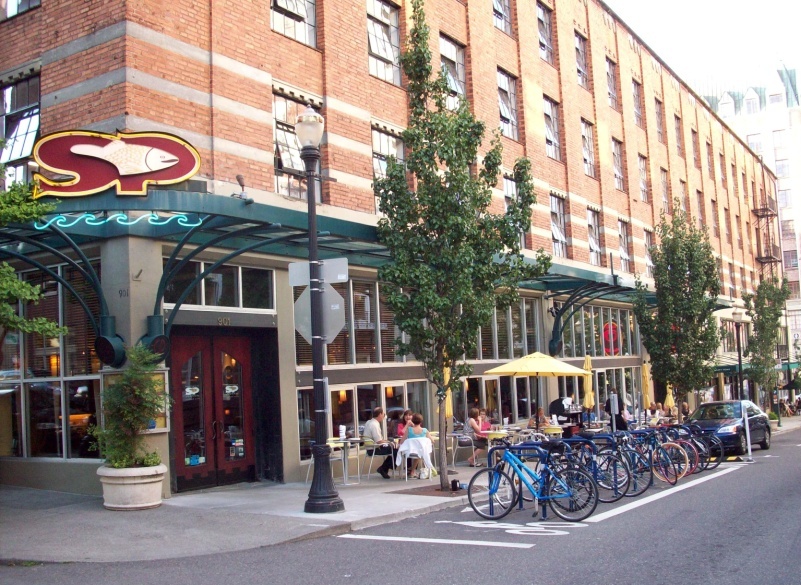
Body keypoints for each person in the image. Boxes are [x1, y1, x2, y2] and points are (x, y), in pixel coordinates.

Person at [362, 407, 396, 479]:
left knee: (393, 448)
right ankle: (383, 469)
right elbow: (379, 441)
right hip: (375, 449)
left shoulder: (368, 422)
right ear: (380, 414)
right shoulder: (374, 424)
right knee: (396, 449)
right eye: (383, 414)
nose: (384, 416)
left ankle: (384, 468)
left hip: (370, 448)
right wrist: (390, 442)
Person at [402, 413, 430, 477]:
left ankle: (411, 471)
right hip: (420, 452)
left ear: (413, 420)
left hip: (409, 452)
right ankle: (414, 471)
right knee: (421, 451)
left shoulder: (409, 430)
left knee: (418, 451)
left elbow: (402, 440)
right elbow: (432, 441)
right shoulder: (425, 430)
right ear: (421, 421)